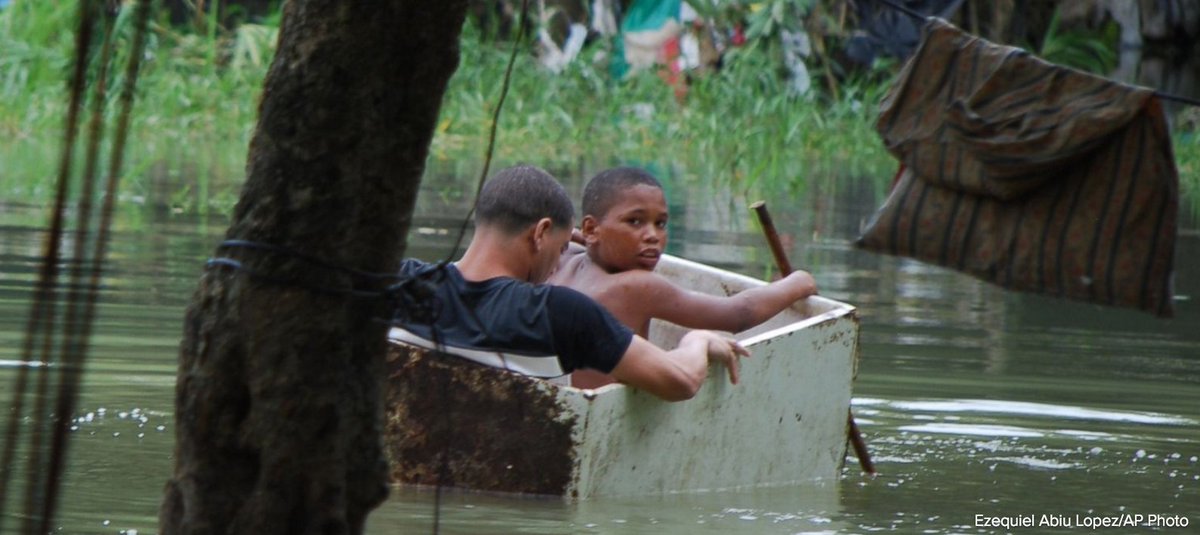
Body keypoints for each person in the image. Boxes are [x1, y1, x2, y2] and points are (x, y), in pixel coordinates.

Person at [389, 165, 747, 402]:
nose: (555, 266)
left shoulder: (400, 281)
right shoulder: (561, 314)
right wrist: (697, 341)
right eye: (561, 249)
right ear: (541, 233)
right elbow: (680, 381)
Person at [548, 166, 818, 388]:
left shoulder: (561, 258)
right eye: (634, 222)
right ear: (591, 229)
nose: (652, 236)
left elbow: (570, 236)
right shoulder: (636, 287)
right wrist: (799, 282)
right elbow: (739, 313)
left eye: (660, 224)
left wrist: (586, 235)